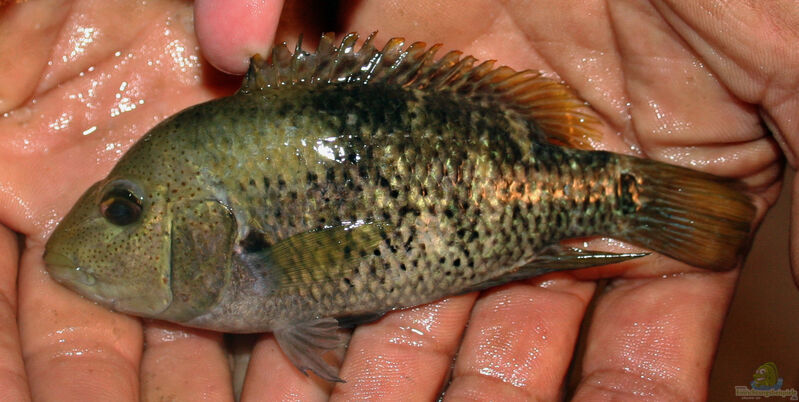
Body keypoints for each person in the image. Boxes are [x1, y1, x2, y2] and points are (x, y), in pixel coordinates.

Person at [0, 0, 793, 399]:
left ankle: (626, 200)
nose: (108, 222)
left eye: (125, 208)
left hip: (509, 180)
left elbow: (315, 270)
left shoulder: (224, 209)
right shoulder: (219, 215)